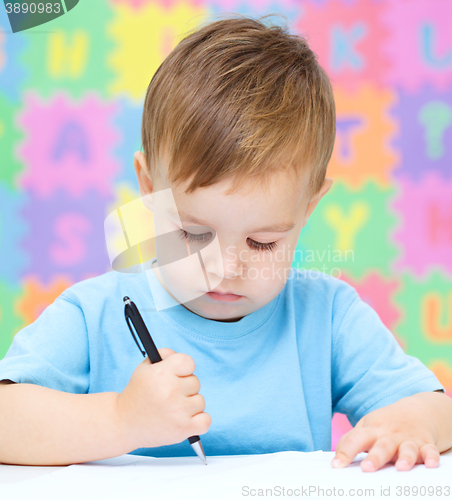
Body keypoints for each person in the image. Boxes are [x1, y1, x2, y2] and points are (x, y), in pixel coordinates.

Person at [0, 14, 450, 472]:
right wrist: (120, 419)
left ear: (307, 209)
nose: (226, 268)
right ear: (148, 187)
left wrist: (413, 423)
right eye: (194, 235)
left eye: (261, 242)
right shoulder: (93, 315)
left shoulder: (328, 316)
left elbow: (439, 412)